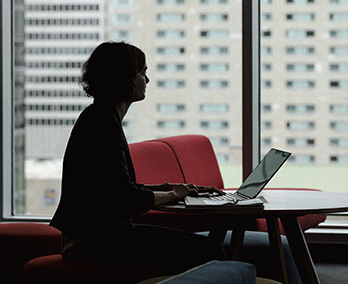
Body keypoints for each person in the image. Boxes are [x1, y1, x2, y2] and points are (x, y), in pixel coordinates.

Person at [50, 41, 225, 272]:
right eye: (143, 72)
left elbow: (115, 186)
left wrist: (169, 187)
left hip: (98, 237)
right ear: (126, 78)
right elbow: (124, 196)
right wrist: (173, 193)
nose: (147, 80)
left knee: (208, 249)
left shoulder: (100, 117)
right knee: (211, 252)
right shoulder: (102, 124)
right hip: (94, 243)